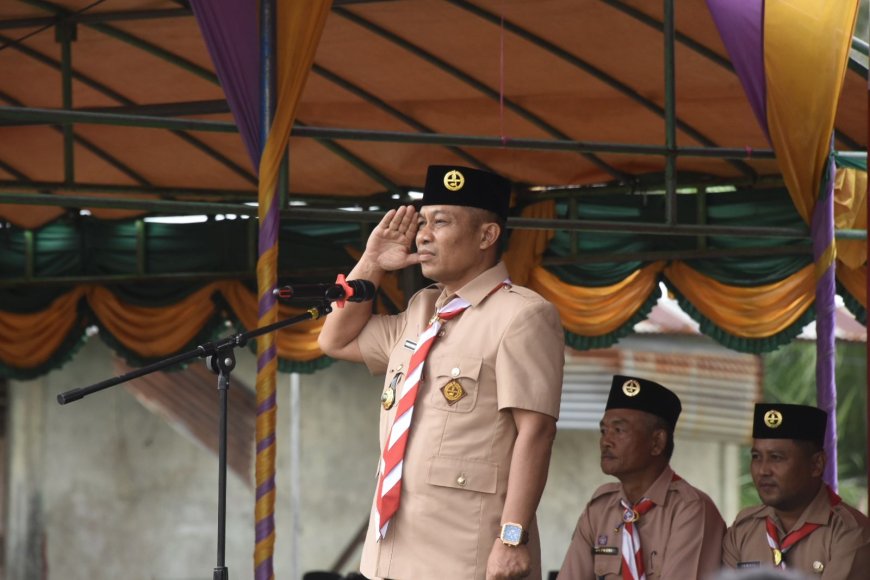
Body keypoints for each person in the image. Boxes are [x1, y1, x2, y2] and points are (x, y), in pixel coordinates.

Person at [318, 165, 565, 580]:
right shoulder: (420, 309)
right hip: (391, 548)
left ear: (487, 236)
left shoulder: (521, 315)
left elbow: (536, 432)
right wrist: (373, 261)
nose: (423, 235)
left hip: (465, 553)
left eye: (441, 222)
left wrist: (511, 538)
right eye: (423, 222)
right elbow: (335, 341)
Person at [557, 375, 726, 579]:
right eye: (603, 430)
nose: (605, 441)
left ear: (657, 442)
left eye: (619, 430)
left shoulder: (690, 508)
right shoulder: (600, 508)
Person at [722, 403, 870, 577]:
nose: (763, 470)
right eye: (756, 457)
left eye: (776, 458)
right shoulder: (744, 529)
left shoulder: (849, 532)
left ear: (817, 464)